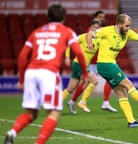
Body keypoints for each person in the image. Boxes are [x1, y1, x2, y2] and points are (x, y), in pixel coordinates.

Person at [4, 4, 88, 144]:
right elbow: (79, 52)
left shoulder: (36, 32)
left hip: (31, 72)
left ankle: (12, 132)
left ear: (48, 17)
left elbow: (22, 56)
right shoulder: (66, 31)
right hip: (49, 73)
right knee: (53, 113)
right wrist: (85, 73)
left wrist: (21, 79)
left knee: (30, 113)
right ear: (63, 18)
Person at [87, 13, 138, 128]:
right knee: (129, 84)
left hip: (111, 64)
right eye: (127, 26)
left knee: (122, 93)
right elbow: (90, 34)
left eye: (129, 26)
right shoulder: (107, 30)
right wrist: (90, 44)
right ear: (119, 25)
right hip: (105, 64)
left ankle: (131, 122)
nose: (128, 28)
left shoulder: (128, 33)